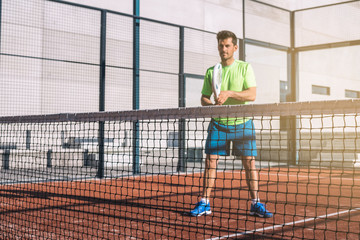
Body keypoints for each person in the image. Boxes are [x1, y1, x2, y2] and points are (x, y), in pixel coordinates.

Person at [189, 30, 273, 218]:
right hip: (218, 123)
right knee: (211, 161)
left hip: (243, 123)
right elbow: (204, 97)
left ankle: (255, 203)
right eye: (221, 45)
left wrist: (229, 93)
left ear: (235, 48)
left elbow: (251, 94)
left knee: (249, 163)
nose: (223, 49)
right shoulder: (212, 71)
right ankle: (204, 202)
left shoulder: (245, 68)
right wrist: (211, 105)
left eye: (227, 45)